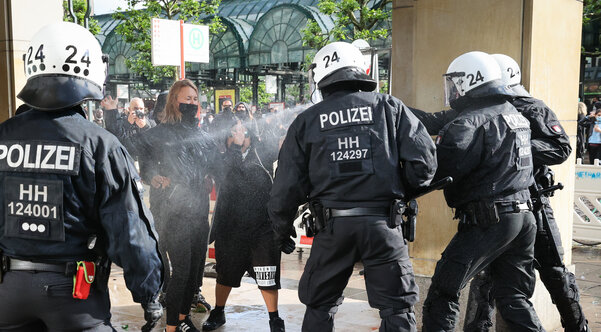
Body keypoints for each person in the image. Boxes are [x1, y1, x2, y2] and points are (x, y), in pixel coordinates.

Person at [0, 22, 163, 332]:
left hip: (7, 293)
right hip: (74, 296)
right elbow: (128, 227)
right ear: (90, 70)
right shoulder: (100, 145)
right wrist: (148, 290)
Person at [411, 53, 588, 331]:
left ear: (470, 81)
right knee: (513, 296)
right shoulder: (510, 113)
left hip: (492, 218)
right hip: (522, 216)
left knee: (443, 293)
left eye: (456, 82)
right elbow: (434, 121)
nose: (453, 89)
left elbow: (435, 170)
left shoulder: (474, 121)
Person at [268, 41, 437, 332]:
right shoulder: (390, 108)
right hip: (384, 225)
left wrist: (281, 229)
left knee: (320, 306)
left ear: (321, 75)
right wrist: (396, 191)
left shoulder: (306, 121)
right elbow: (424, 165)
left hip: (332, 230)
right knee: (397, 308)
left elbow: (286, 187)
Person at [127, 79, 216, 332]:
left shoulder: (202, 135)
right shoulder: (158, 134)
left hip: (199, 213)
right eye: (186, 98)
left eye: (195, 99)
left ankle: (182, 317)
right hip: (172, 213)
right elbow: (139, 159)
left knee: (195, 275)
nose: (192, 103)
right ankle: (171, 327)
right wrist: (151, 176)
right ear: (174, 100)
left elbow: (215, 166)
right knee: (182, 271)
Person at [203, 117, 283, 332]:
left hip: (262, 228)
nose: (238, 137)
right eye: (233, 133)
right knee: (226, 273)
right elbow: (228, 171)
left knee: (267, 274)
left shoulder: (262, 153)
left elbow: (281, 146)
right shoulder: (222, 158)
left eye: (243, 133)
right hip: (230, 228)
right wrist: (236, 148)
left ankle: (274, 318)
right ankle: (218, 311)